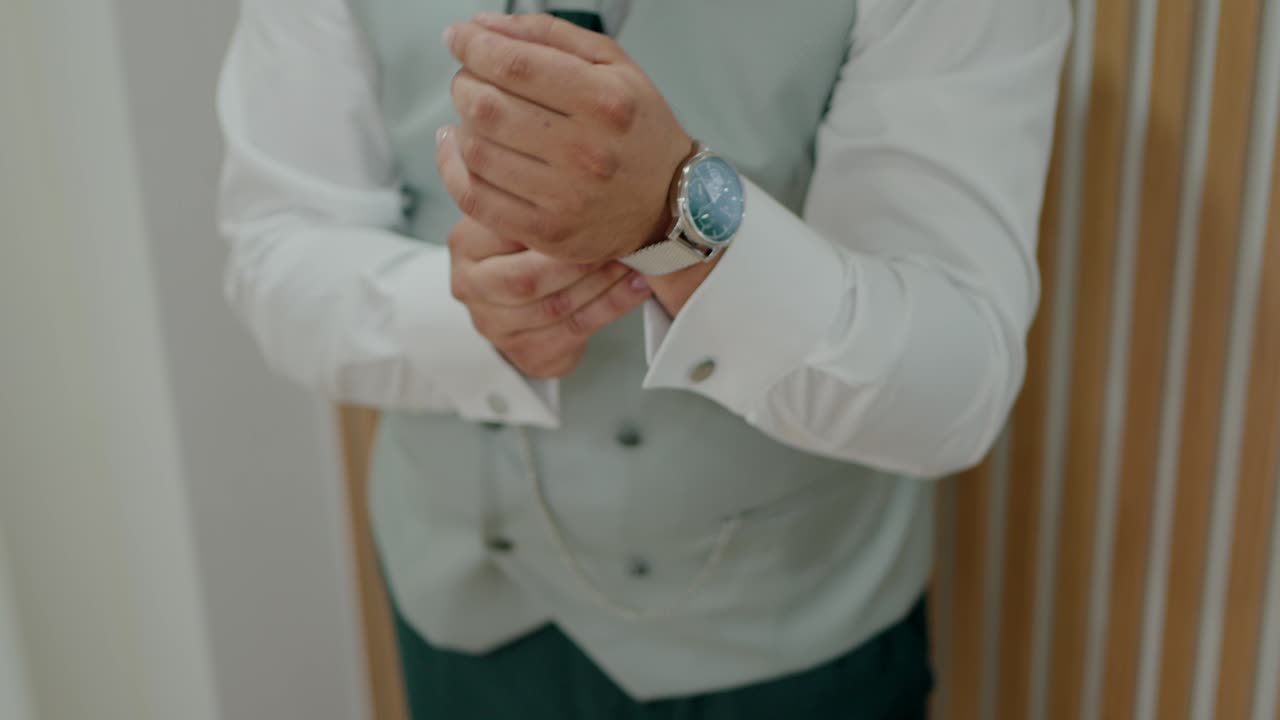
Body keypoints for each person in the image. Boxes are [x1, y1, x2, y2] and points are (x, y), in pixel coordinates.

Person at [217, 1, 1069, 717]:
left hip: (789, 651)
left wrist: (678, 220)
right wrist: (463, 316)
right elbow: (276, 246)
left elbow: (952, 384)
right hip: (464, 624)